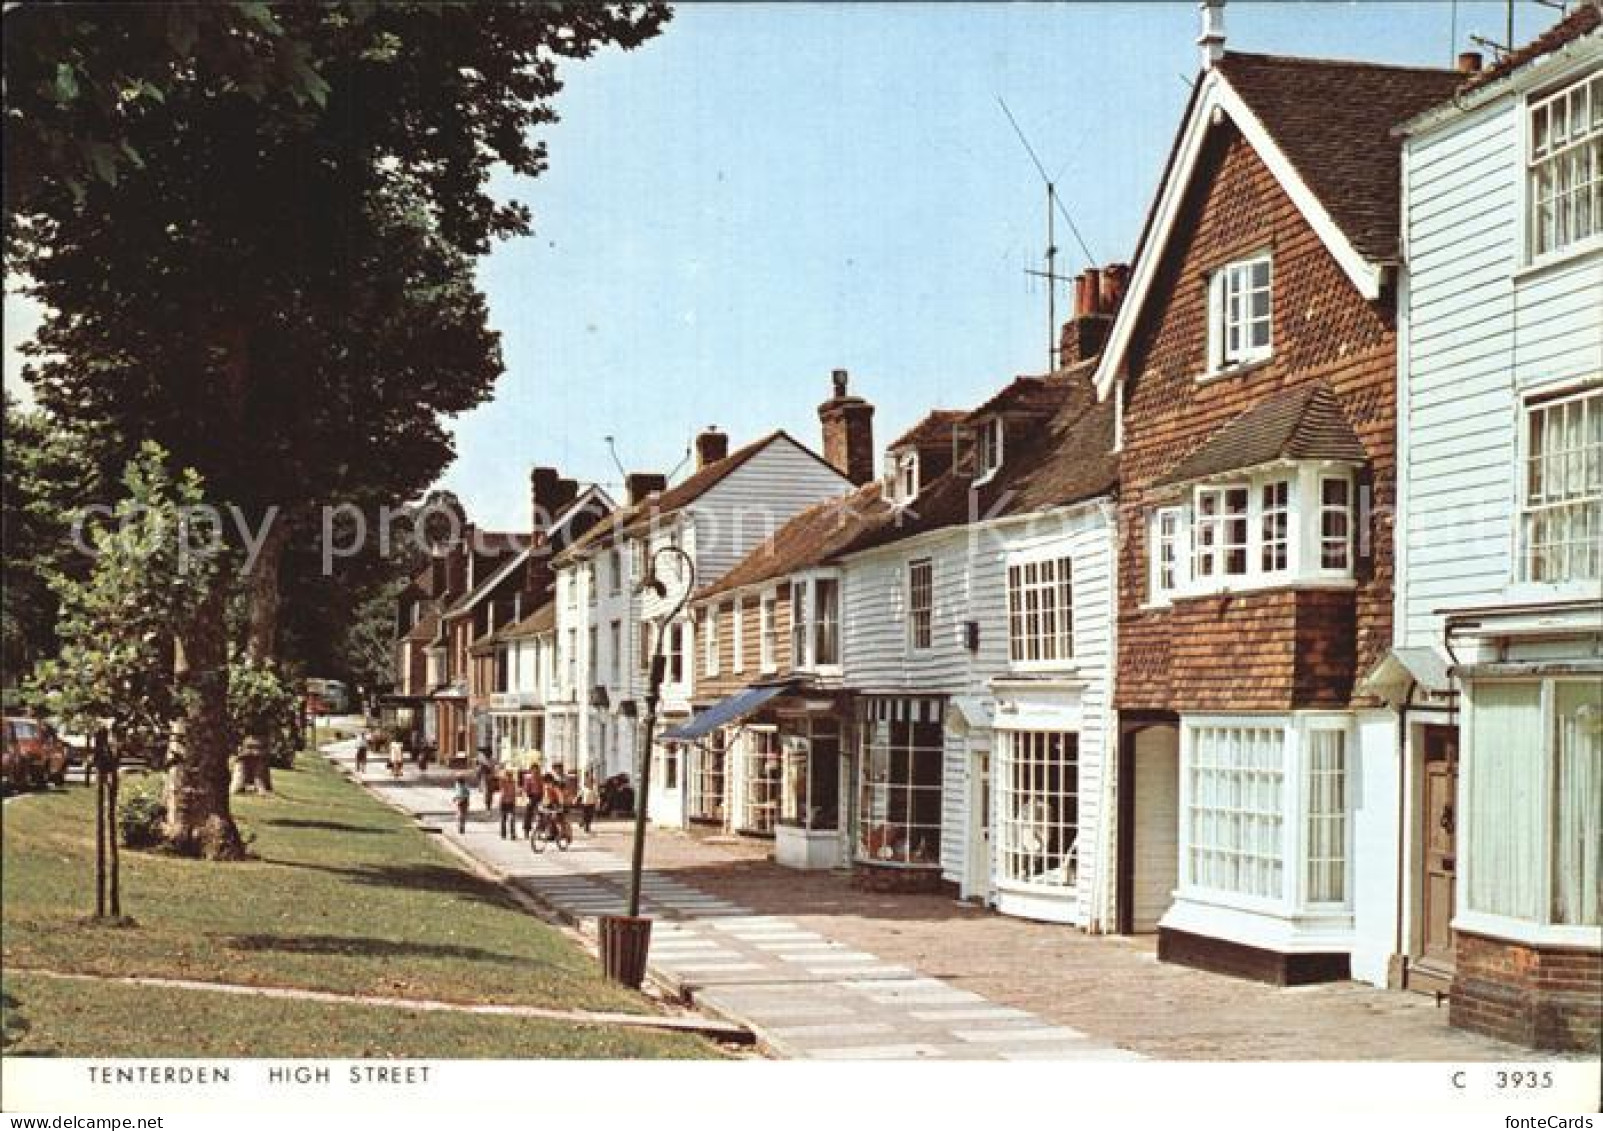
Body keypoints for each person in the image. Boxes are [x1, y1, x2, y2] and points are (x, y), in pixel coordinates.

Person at [498, 766, 519, 839]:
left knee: (512, 819)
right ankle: (503, 834)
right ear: (505, 776)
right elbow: (499, 777)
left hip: (511, 803)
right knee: (503, 819)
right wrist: (503, 773)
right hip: (503, 802)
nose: (509, 777)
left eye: (510, 775)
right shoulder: (502, 782)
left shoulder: (513, 782)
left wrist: (514, 801)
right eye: (508, 775)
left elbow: (514, 792)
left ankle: (512, 834)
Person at [522, 768, 541, 837]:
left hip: (539, 797)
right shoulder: (528, 778)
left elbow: (542, 788)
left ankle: (539, 832)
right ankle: (526, 831)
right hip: (531, 797)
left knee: (541, 815)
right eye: (534, 771)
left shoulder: (540, 778)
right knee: (528, 814)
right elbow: (526, 789)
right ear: (532, 771)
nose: (536, 772)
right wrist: (527, 798)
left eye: (537, 771)